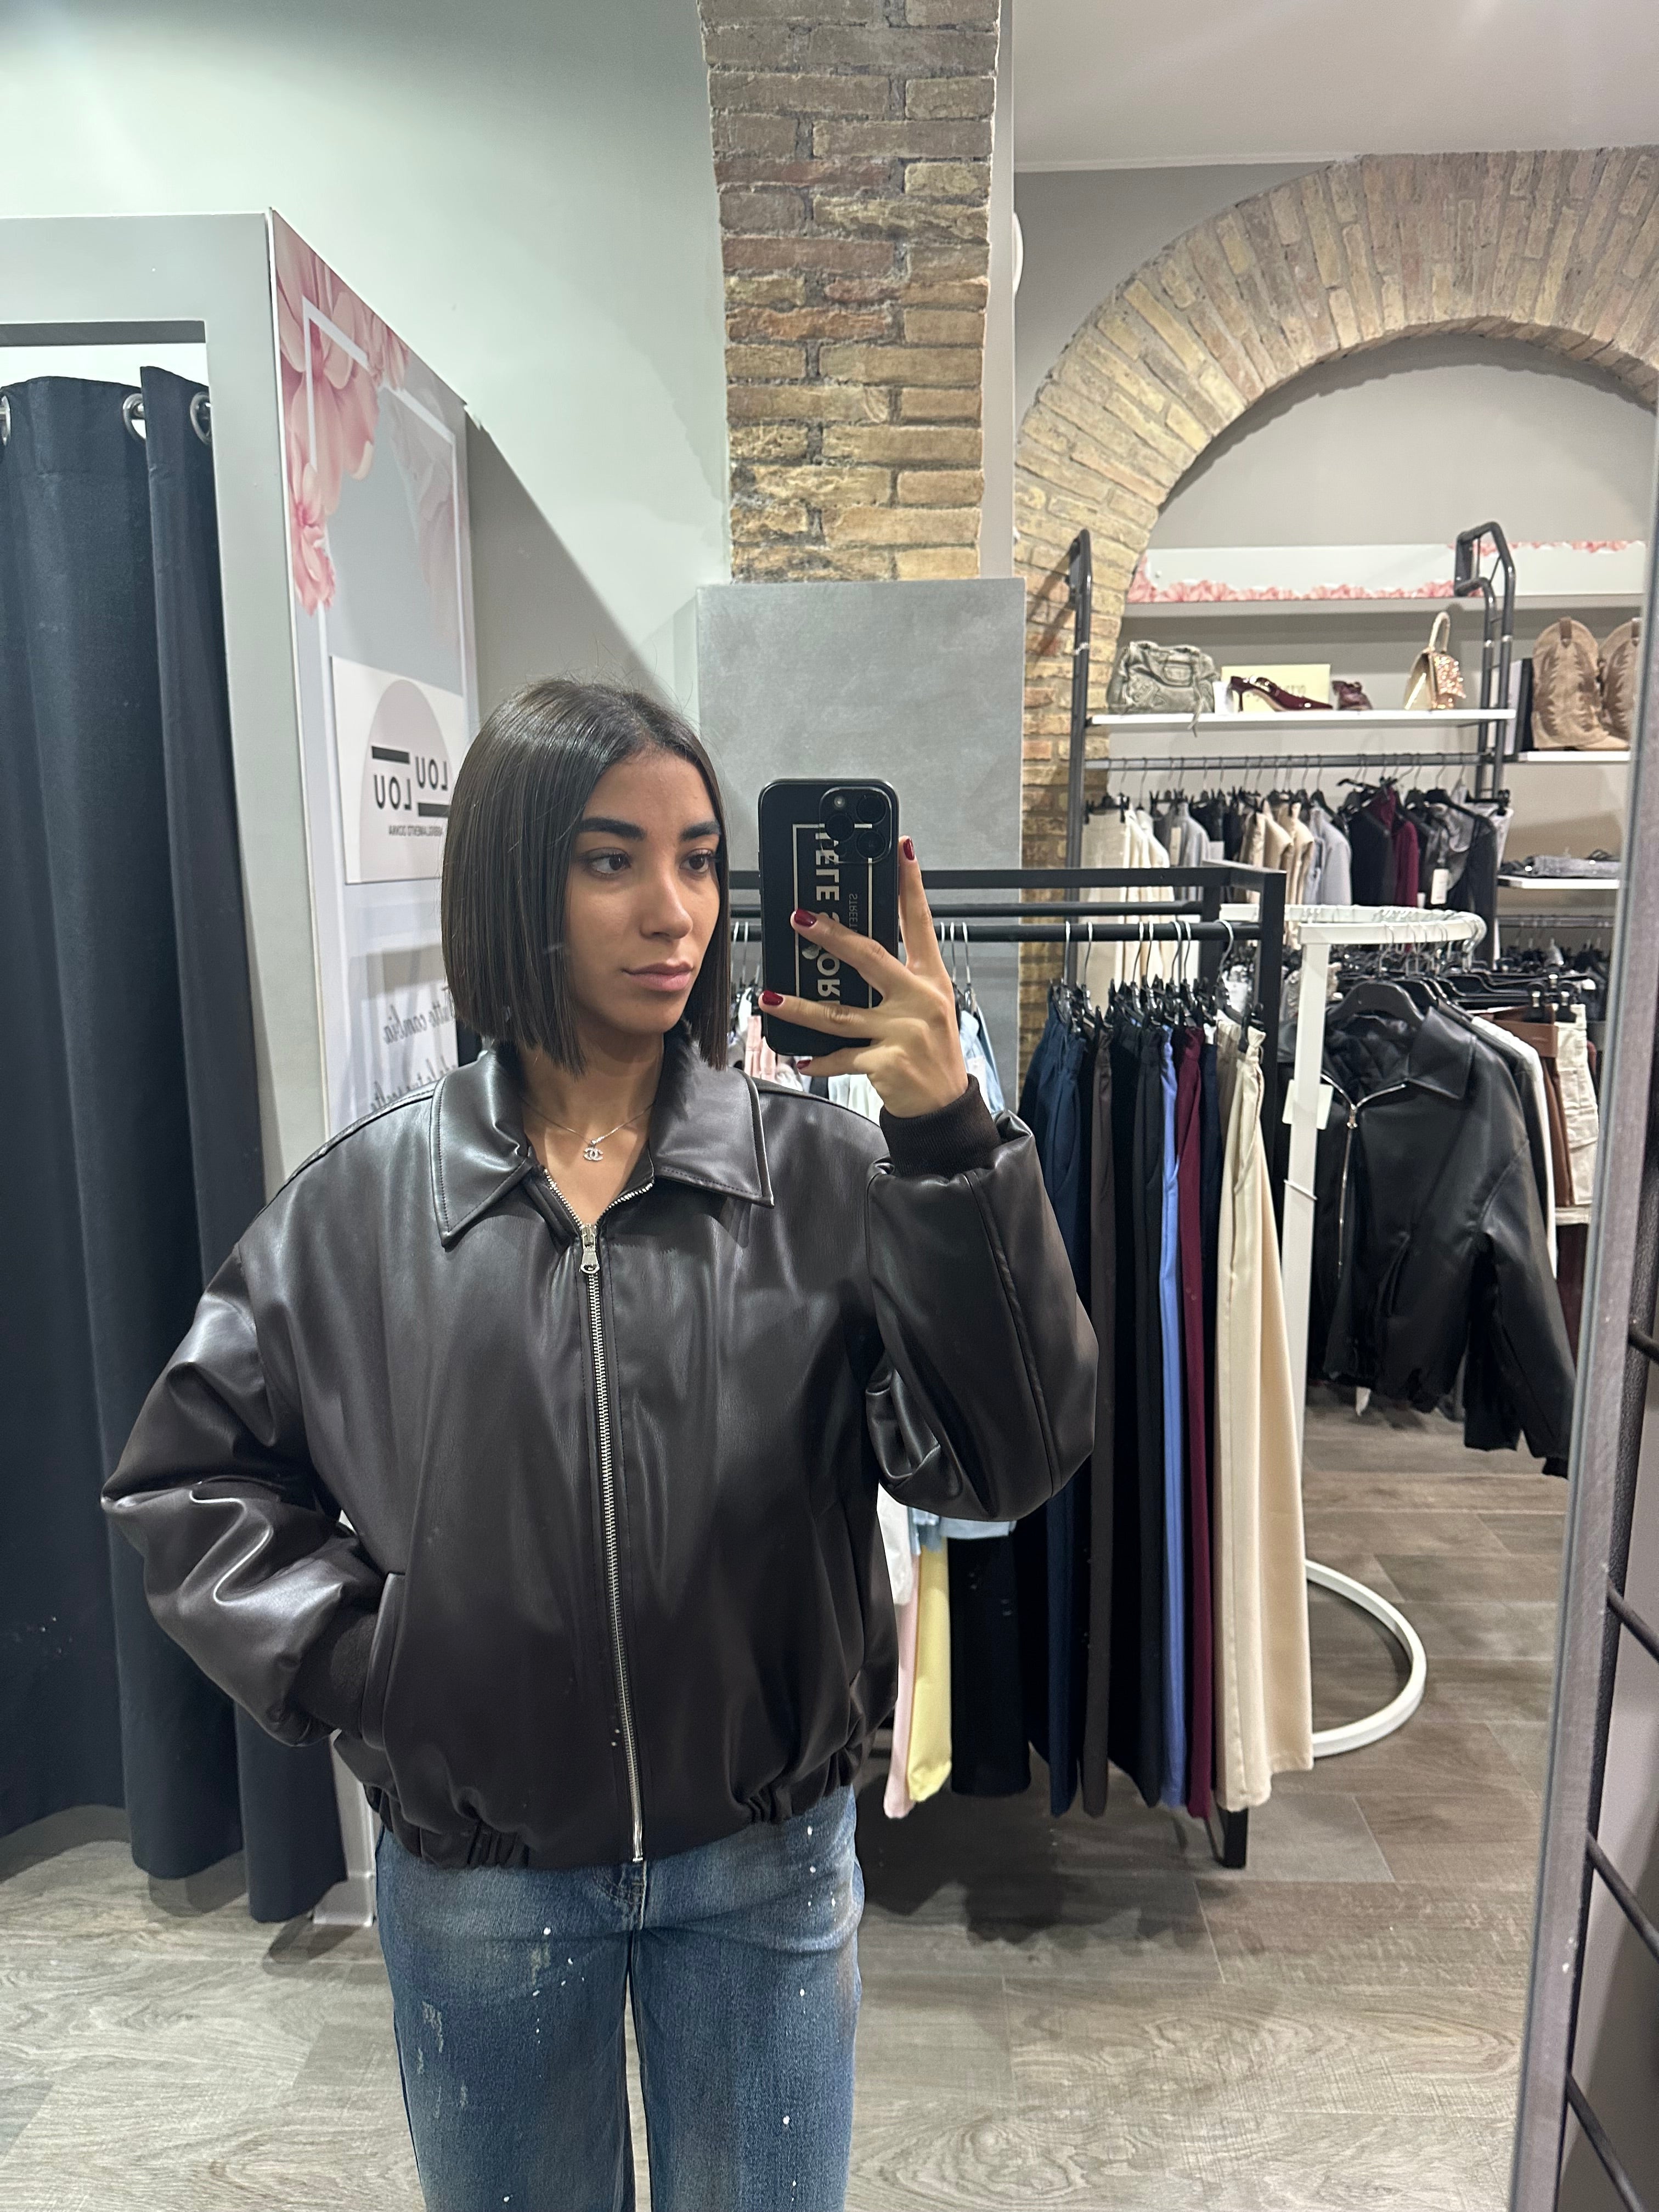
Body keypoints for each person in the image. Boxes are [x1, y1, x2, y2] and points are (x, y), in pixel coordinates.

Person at [105, 679, 1094, 2212]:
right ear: (514, 879)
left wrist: (953, 1139)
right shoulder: (364, 1210)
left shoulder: (827, 1181)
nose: (672, 910)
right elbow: (186, 1479)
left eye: (699, 859)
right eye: (610, 859)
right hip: (484, 1885)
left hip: (762, 1867)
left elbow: (1006, 1456)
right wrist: (378, 1667)